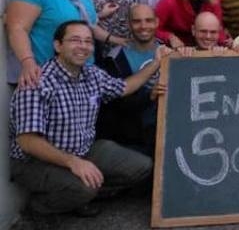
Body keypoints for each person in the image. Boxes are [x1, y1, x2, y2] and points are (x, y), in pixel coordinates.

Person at [9, 20, 168, 217]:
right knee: (83, 189)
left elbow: (125, 87)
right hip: (36, 162)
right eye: (75, 40)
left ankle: (82, 191)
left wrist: (156, 63)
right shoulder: (36, 83)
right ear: (58, 45)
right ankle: (39, 207)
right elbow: (27, 141)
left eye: (88, 41)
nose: (83, 47)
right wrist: (73, 162)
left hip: (84, 150)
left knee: (142, 166)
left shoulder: (92, 74)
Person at [97, 4, 163, 157]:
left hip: (167, 129)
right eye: (137, 21)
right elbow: (115, 102)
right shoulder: (115, 58)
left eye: (148, 20)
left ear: (157, 22)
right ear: (128, 24)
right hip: (134, 137)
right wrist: (149, 96)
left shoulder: (169, 50)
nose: (143, 26)